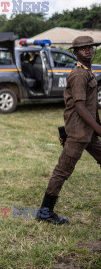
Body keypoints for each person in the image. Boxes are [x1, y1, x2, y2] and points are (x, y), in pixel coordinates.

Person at [36, 36, 101, 225]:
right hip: (79, 133)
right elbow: (80, 107)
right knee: (62, 171)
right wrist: (98, 128)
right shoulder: (79, 74)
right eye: (83, 49)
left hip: (88, 133)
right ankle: (45, 212)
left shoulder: (89, 72)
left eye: (90, 47)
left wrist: (97, 128)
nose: (87, 51)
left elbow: (91, 105)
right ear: (75, 53)